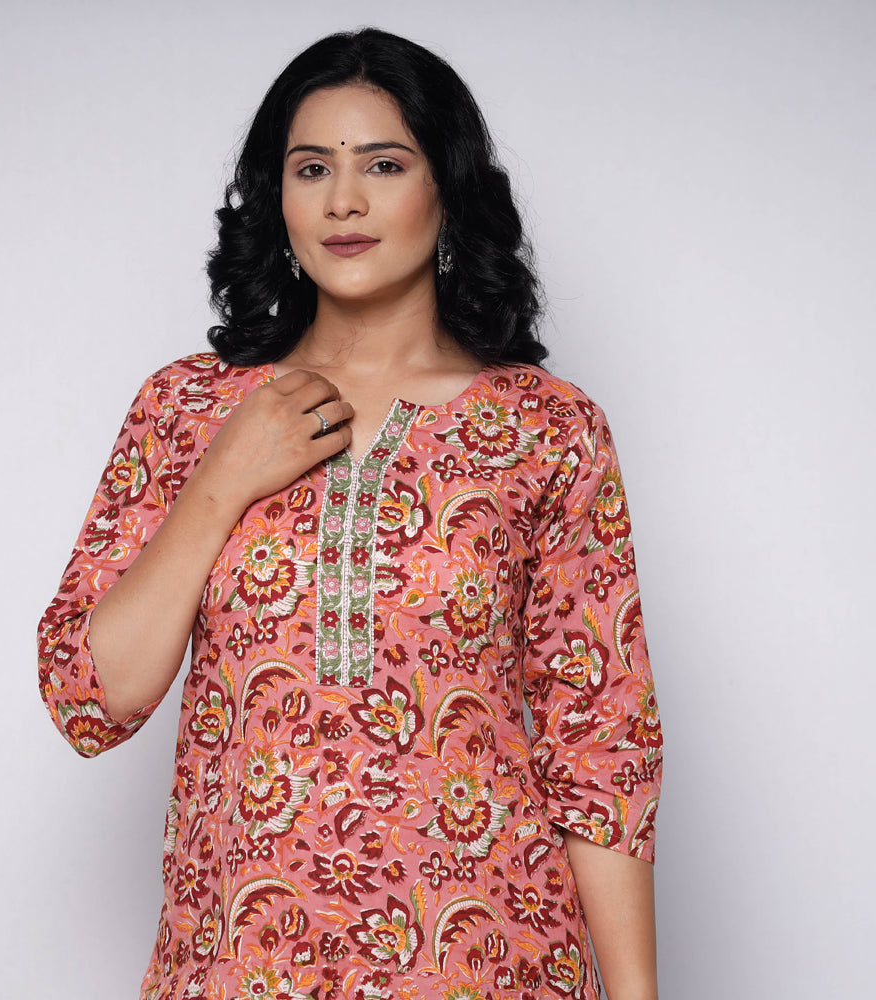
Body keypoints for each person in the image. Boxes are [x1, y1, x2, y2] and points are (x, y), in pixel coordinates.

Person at [38, 27, 662, 1000]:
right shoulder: (187, 409)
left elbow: (601, 747)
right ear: (276, 197)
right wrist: (223, 481)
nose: (343, 200)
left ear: (446, 189)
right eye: (311, 168)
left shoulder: (545, 428)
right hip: (241, 966)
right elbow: (91, 700)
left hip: (491, 965)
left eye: (383, 163)